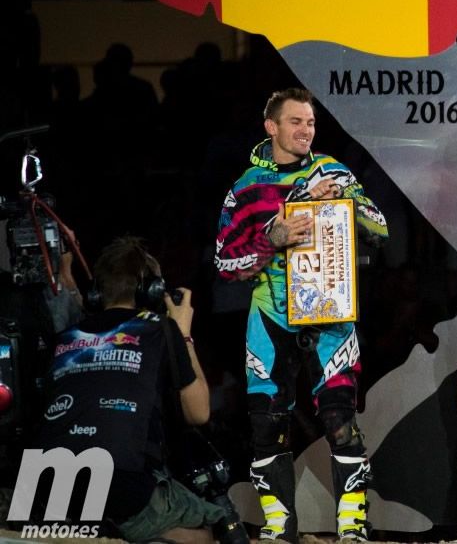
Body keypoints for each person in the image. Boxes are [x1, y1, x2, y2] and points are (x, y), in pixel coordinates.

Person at [214, 87, 388, 543]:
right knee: (267, 426)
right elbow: (225, 265)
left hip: (331, 313)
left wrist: (343, 199)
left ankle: (353, 527)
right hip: (270, 319)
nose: (305, 131)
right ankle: (278, 530)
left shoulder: (333, 170)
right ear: (271, 127)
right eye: (295, 122)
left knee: (340, 420)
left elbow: (379, 229)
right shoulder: (246, 186)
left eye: (310, 123)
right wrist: (273, 235)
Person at [32, 237, 224, 542]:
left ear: (96, 293)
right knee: (208, 529)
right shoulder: (159, 328)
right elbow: (198, 412)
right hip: (121, 482)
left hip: (42, 487)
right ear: (152, 291)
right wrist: (184, 334)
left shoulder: (64, 339)